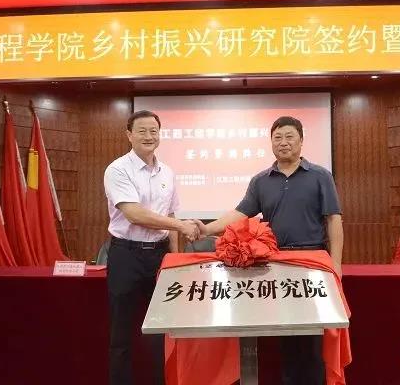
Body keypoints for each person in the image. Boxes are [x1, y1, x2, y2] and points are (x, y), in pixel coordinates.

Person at [196, 115, 343, 385]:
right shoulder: (261, 180)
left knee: (312, 338)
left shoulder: (321, 176)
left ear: (301, 141)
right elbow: (240, 214)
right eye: (277, 138)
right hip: (276, 263)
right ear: (271, 143)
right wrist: (206, 229)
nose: (283, 142)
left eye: (289, 137)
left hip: (312, 262)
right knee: (286, 337)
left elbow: (334, 220)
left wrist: (336, 265)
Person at [104, 110, 199, 385]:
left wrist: (175, 260)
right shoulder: (118, 169)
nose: (149, 136)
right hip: (126, 255)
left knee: (161, 328)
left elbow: (170, 217)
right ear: (129, 135)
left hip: (159, 255)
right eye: (142, 131)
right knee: (121, 333)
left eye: (153, 131)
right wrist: (180, 225)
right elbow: (134, 214)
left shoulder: (167, 172)